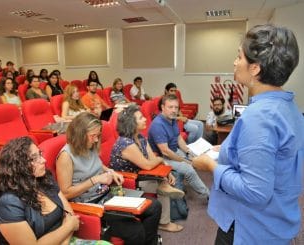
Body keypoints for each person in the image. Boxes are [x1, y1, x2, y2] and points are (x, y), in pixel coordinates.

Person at [192, 24, 304, 245]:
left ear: (255, 68)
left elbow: (255, 191)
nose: (234, 63)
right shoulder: (289, 108)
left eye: (239, 56)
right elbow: (273, 157)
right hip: (276, 222)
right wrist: (225, 149)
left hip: (249, 229)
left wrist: (211, 166)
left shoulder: (259, 116)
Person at [56, 112, 162, 245]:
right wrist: (95, 180)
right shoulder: (66, 156)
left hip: (108, 196)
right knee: (136, 231)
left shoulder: (89, 145)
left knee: (154, 206)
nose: (96, 140)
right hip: (92, 206)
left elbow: (98, 164)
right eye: (93, 136)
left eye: (97, 135)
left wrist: (111, 171)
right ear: (80, 134)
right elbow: (65, 193)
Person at [0, 137, 80, 244]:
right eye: (34, 158)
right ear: (18, 166)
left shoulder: (44, 178)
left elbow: (70, 215)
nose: (43, 160)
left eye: (40, 154)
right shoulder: (8, 203)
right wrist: (68, 226)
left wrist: (67, 236)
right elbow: (71, 224)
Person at [110, 104, 184, 232]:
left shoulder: (140, 137)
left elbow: (151, 158)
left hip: (141, 175)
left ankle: (164, 186)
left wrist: (166, 172)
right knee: (162, 187)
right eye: (140, 118)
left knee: (169, 178)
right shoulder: (125, 143)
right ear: (131, 124)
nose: (145, 119)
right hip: (125, 183)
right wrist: (162, 160)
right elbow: (148, 164)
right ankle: (164, 222)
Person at [148, 94, 210, 200]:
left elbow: (179, 138)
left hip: (174, 151)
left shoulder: (172, 119)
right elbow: (166, 152)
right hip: (162, 158)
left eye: (176, 107)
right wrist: (185, 161)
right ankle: (208, 195)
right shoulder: (158, 124)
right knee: (189, 168)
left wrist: (189, 152)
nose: (174, 110)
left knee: (196, 159)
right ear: (163, 107)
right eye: (170, 107)